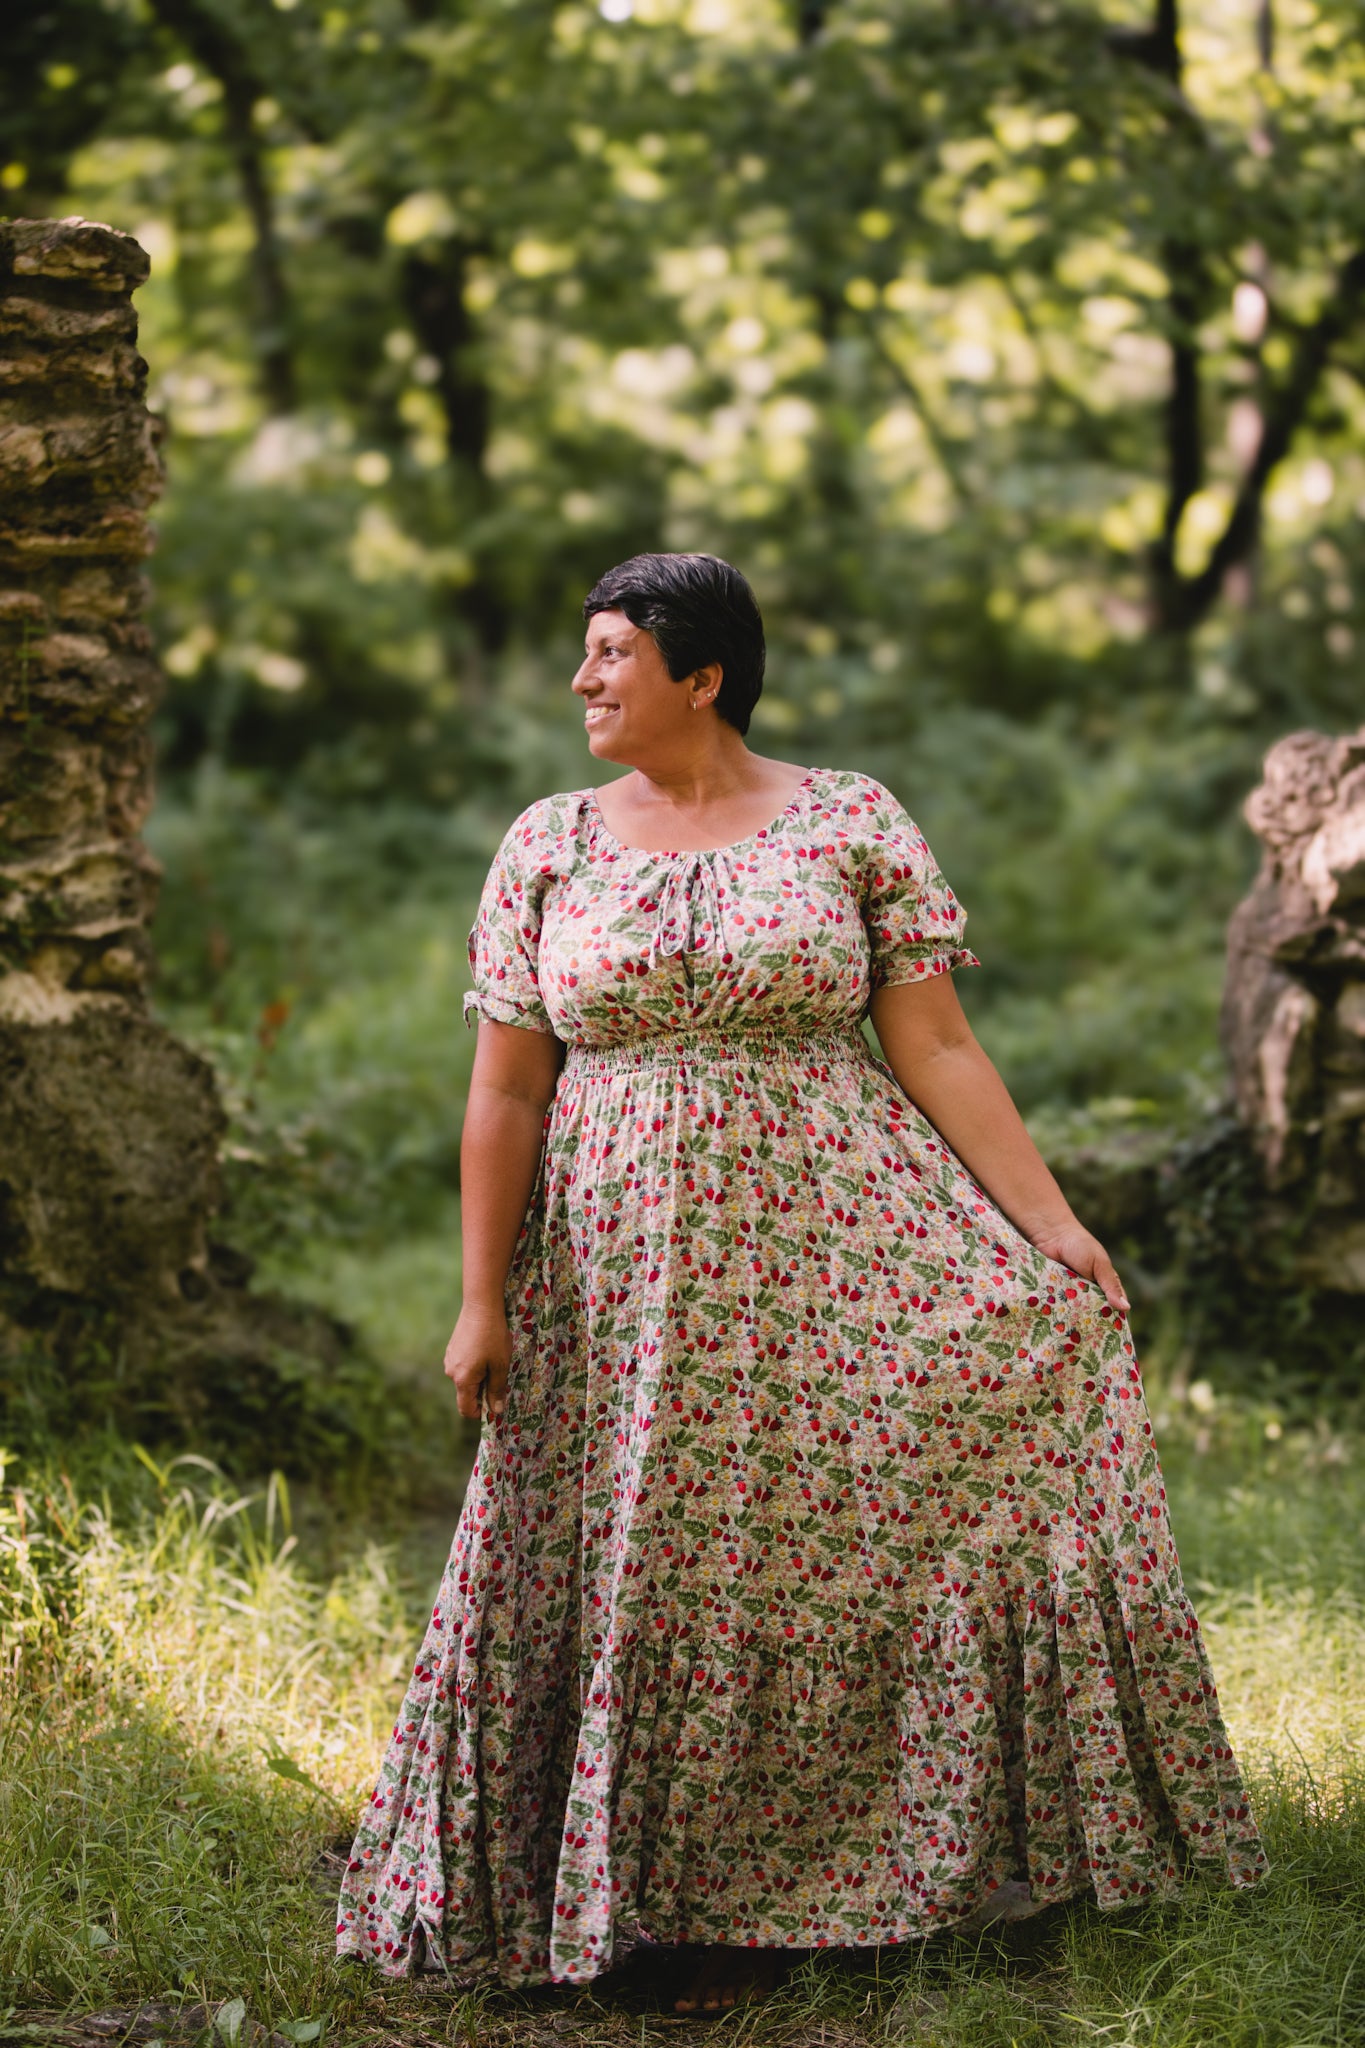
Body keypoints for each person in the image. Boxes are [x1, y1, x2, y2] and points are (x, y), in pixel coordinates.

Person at [336, 552, 1265, 2013]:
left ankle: (842, 1875)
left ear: (699, 677)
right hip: (614, 1284)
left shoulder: (846, 817)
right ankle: (632, 1896)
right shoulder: (549, 843)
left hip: (835, 1253)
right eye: (582, 654)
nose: (581, 680)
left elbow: (938, 1046)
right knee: (642, 1555)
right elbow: (505, 1094)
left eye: (609, 654)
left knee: (802, 1545)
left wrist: (1051, 1227)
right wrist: (480, 1296)